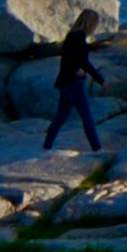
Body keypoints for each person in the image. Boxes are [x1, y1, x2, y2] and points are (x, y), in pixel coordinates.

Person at [44, 13, 106, 155]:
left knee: (61, 116)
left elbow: (71, 58)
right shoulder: (78, 37)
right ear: (89, 24)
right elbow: (75, 59)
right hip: (74, 83)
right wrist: (75, 70)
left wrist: (100, 80)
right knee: (86, 116)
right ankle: (97, 149)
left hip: (65, 82)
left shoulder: (72, 35)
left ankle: (47, 145)